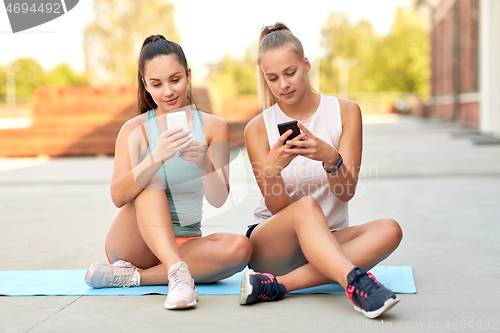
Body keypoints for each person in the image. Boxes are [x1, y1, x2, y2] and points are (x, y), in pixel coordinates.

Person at [239, 23, 403, 319]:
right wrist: (272, 171)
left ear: (306, 64)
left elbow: (346, 193)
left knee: (390, 229)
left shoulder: (345, 112)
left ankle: (277, 287)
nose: (283, 85)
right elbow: (276, 209)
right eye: (272, 78)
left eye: (290, 73)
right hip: (274, 244)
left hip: (327, 239)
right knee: (305, 208)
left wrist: (331, 158)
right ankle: (356, 283)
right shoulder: (256, 129)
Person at [84, 35, 252, 310]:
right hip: (135, 243)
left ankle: (136, 278)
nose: (168, 91)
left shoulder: (214, 127)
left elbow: (219, 199)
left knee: (241, 248)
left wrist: (204, 164)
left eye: (175, 79)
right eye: (157, 84)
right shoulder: (133, 129)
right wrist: (155, 157)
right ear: (145, 85)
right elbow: (118, 196)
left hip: (187, 242)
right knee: (150, 179)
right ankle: (177, 272)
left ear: (188, 75)